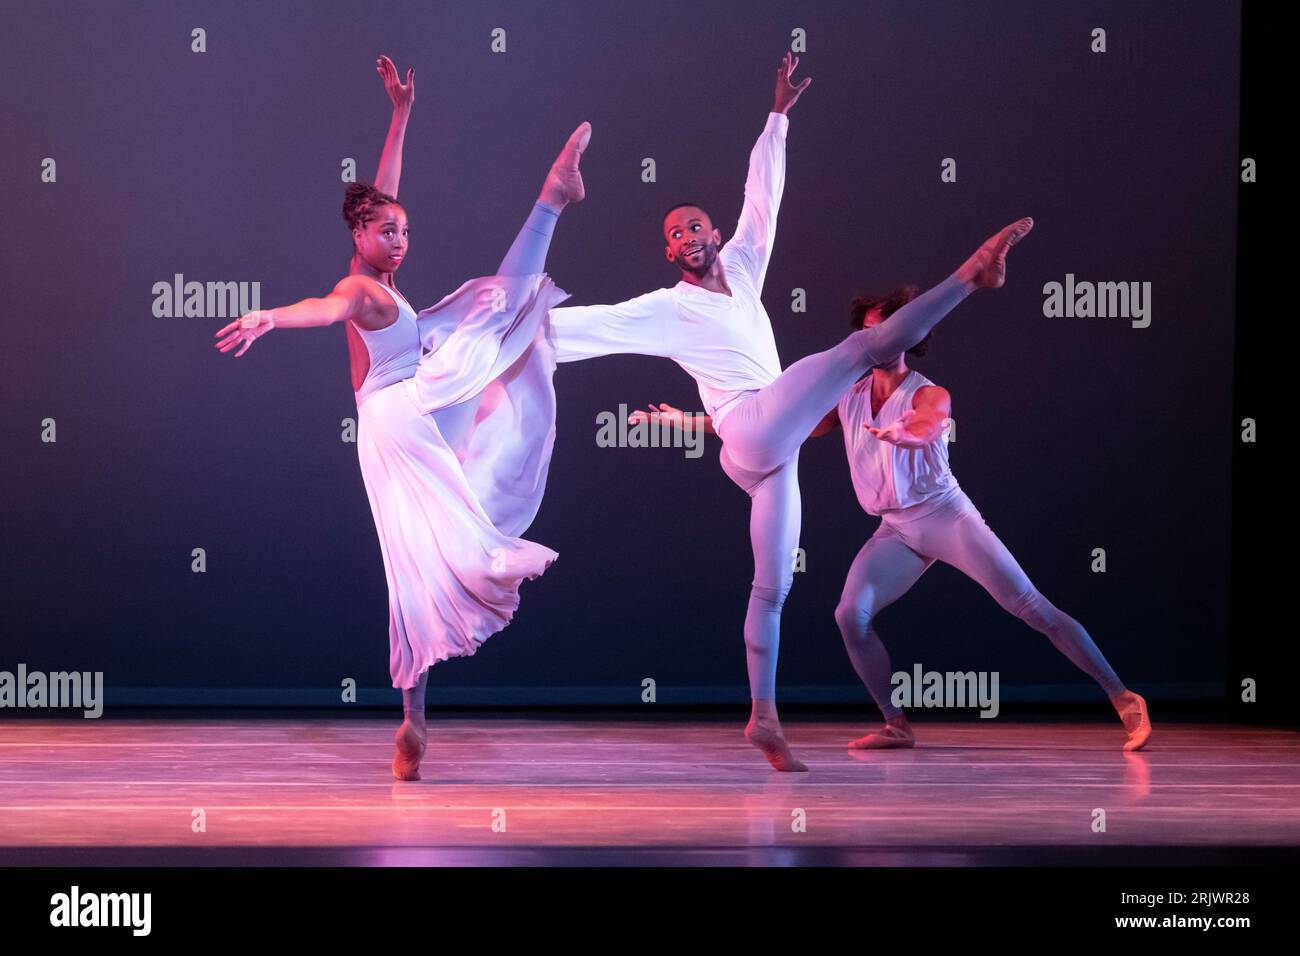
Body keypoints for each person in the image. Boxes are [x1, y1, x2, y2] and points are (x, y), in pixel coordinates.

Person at [551, 51, 1033, 770]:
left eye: (695, 226)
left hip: (764, 453)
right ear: (667, 254)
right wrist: (504, 332)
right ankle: (971, 276)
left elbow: (762, 200)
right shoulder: (663, 309)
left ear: (712, 235)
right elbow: (587, 326)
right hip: (751, 426)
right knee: (856, 351)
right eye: (674, 235)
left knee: (773, 585)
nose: (687, 237)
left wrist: (777, 115)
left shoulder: (743, 268)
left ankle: (764, 718)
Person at [215, 56, 591, 780]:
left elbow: (382, 191)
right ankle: (551, 199)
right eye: (387, 231)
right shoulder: (357, 288)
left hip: (392, 428)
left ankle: (412, 721)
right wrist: (271, 315)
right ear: (358, 237)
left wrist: (400, 112)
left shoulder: (375, 274)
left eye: (404, 231)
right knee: (492, 316)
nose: (399, 240)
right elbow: (325, 309)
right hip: (410, 406)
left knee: (412, 566)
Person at [638, 286, 1152, 753]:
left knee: (1031, 607)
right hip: (895, 530)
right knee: (849, 615)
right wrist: (687, 422)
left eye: (888, 329)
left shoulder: (927, 393)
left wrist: (909, 434)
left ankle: (1125, 699)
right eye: (869, 332)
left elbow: (928, 426)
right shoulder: (849, 396)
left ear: (908, 336)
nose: (879, 340)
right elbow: (771, 426)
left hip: (944, 516)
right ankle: (896, 723)